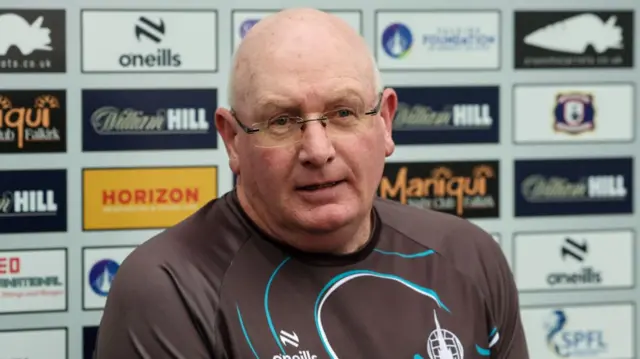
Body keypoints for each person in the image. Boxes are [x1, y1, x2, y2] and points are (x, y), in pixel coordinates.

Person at [94, 8, 529, 359]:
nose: (318, 150)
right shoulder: (169, 288)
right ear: (232, 140)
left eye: (343, 113)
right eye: (281, 121)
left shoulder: (469, 257)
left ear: (386, 121)